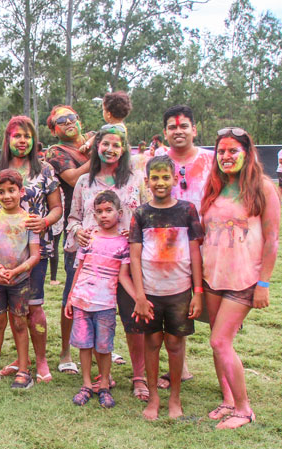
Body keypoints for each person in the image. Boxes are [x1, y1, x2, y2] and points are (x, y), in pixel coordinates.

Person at [200, 127, 279, 429]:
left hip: (245, 279)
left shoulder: (262, 187)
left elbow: (272, 240)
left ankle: (244, 410)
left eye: (233, 150)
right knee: (215, 342)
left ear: (247, 153)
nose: (226, 156)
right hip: (213, 277)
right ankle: (227, 400)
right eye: (221, 151)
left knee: (221, 342)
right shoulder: (214, 187)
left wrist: (264, 282)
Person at [67, 123, 149, 400]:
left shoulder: (135, 180)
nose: (110, 149)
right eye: (105, 144)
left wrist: (136, 232)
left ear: (124, 149)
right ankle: (102, 375)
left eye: (116, 145)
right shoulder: (84, 182)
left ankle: (139, 377)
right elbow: (73, 218)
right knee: (93, 317)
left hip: (127, 260)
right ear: (96, 147)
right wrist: (77, 232)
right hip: (91, 263)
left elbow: (146, 215)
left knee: (132, 319)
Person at [0, 116, 62, 383]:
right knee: (10, 311)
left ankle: (39, 360)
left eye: (27, 136)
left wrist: (45, 221)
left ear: (33, 140)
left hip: (34, 251)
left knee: (33, 307)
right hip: (1, 255)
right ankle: (20, 359)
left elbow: (57, 208)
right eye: (17, 136)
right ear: (7, 139)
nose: (22, 141)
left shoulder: (45, 171)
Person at [129, 156, 205, 419]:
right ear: (147, 181)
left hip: (180, 292)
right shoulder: (140, 214)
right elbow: (135, 257)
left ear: (175, 179)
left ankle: (175, 398)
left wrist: (198, 293)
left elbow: (196, 254)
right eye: (155, 178)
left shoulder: (187, 210)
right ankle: (154, 397)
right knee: (151, 342)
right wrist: (139, 295)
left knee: (174, 343)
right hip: (150, 293)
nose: (160, 183)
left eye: (165, 177)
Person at [65, 191, 140, 408]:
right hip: (81, 301)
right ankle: (87, 384)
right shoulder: (88, 238)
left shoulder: (123, 243)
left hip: (105, 304)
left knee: (104, 347)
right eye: (99, 212)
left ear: (120, 212)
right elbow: (78, 269)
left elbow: (123, 276)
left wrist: (138, 298)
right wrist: (70, 297)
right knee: (84, 345)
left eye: (108, 211)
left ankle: (105, 384)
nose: (104, 215)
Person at [158, 104, 213, 389]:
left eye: (183, 126)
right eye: (172, 127)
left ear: (194, 129)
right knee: (173, 307)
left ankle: (226, 367)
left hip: (209, 247)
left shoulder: (212, 160)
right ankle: (180, 368)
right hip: (167, 250)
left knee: (213, 308)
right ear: (165, 132)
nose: (178, 131)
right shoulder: (156, 160)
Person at [0, 169, 40, 389]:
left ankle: (24, 369)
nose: (7, 196)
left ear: (21, 191)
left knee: (20, 323)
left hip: (20, 281)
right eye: (1, 192)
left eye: (11, 190)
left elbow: (35, 254)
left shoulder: (29, 221)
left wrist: (16, 271)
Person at [44, 105, 94, 376]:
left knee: (106, 294)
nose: (68, 123)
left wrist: (99, 142)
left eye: (72, 118)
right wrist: (99, 153)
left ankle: (101, 347)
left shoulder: (94, 139)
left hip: (109, 227)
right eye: (60, 121)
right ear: (53, 130)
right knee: (72, 291)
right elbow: (73, 178)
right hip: (78, 227)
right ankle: (65, 351)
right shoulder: (56, 152)